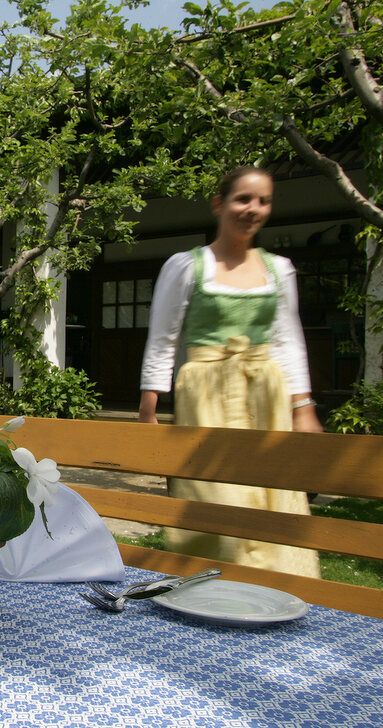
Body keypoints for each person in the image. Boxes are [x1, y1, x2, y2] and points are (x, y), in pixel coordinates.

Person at [138, 166, 321, 578]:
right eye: (243, 199)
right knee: (214, 489)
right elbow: (163, 339)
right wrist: (149, 408)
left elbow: (289, 340)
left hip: (265, 392)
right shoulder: (187, 266)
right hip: (204, 392)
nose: (252, 209)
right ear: (219, 204)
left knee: (268, 489)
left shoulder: (279, 270)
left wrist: (303, 407)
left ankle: (268, 583)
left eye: (263, 201)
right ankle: (210, 582)